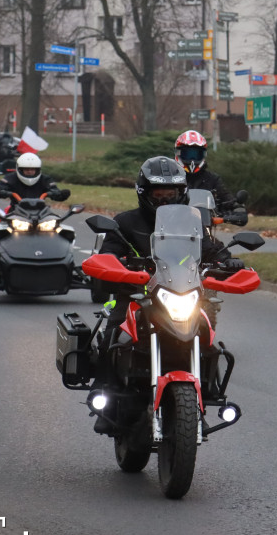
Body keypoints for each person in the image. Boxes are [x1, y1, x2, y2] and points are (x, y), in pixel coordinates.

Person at [90, 157, 243, 431]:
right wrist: (115, 263)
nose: (163, 200)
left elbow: (211, 248)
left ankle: (207, 393)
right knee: (114, 329)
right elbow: (108, 253)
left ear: (181, 193)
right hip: (137, 292)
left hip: (181, 289)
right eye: (157, 194)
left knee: (205, 329)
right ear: (144, 193)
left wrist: (227, 261)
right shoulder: (125, 222)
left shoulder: (192, 222)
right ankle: (105, 392)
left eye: (170, 194)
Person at [174, 130, 248, 226]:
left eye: (196, 154)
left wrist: (237, 208)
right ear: (178, 153)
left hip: (204, 230)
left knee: (221, 242)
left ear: (203, 155)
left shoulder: (212, 179)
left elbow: (226, 200)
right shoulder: (171, 178)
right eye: (187, 154)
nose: (192, 159)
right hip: (172, 230)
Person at [0, 152, 71, 210]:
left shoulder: (45, 179)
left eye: (33, 169)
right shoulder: (11, 178)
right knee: (0, 230)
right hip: (16, 212)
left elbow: (54, 190)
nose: (30, 171)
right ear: (20, 169)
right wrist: (0, 192)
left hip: (41, 212)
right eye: (26, 169)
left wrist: (59, 194)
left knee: (58, 228)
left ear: (38, 170)